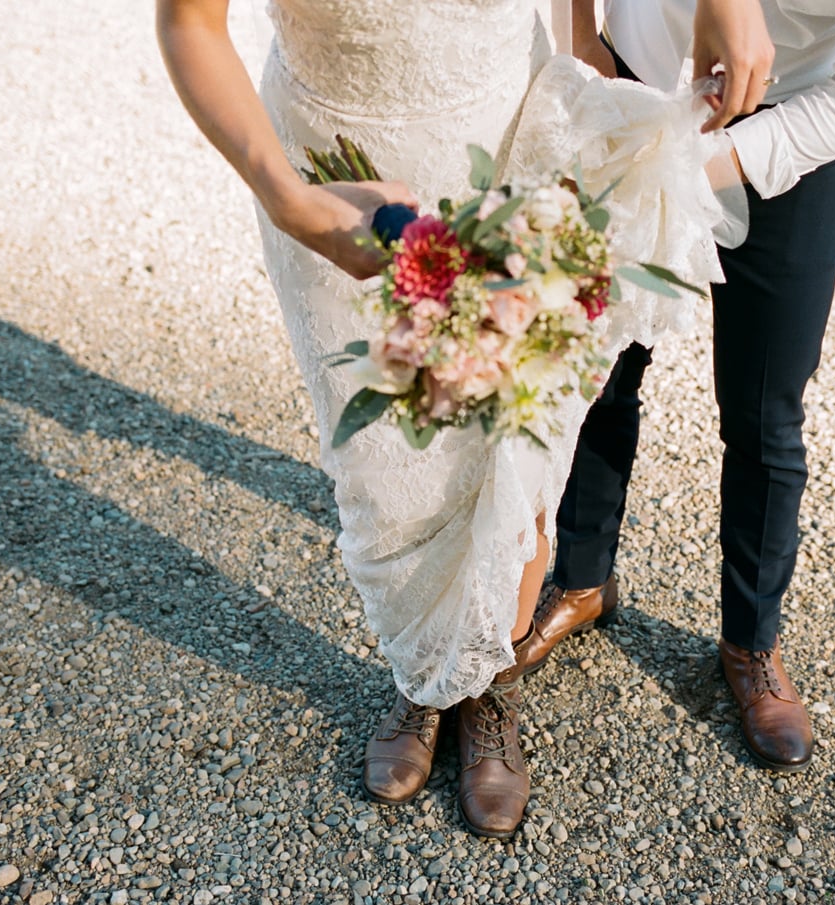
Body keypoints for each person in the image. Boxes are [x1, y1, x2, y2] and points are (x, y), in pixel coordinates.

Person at [156, 0, 724, 837]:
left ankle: (490, 680)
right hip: (336, 182)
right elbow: (189, 22)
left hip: (508, 133)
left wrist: (581, 48)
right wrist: (286, 198)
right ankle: (426, 673)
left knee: (519, 444)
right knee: (387, 462)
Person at [530, 0, 835, 773]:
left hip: (799, 118)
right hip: (632, 71)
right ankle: (579, 575)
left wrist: (685, 167)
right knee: (598, 362)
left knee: (765, 409)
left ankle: (751, 641)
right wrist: (579, 35)